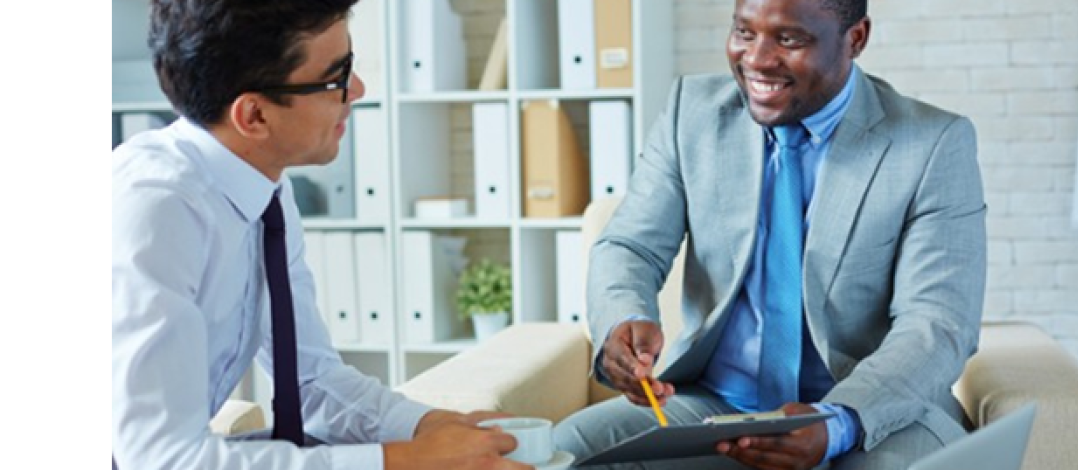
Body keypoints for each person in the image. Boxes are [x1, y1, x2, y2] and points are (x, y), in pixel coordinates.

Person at [554, 0, 986, 468]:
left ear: (856, 39)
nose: (757, 59)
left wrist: (837, 422)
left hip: (870, 416)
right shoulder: (691, 112)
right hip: (717, 407)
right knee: (571, 448)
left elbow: (936, 322)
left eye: (789, 39)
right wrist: (623, 318)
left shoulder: (932, 143)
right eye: (745, 32)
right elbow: (630, 246)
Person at [111, 1, 528, 469]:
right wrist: (404, 461)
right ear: (254, 116)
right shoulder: (154, 212)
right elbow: (161, 459)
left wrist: (425, 426)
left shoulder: (264, 186)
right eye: (337, 77)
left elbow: (311, 378)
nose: (358, 90)